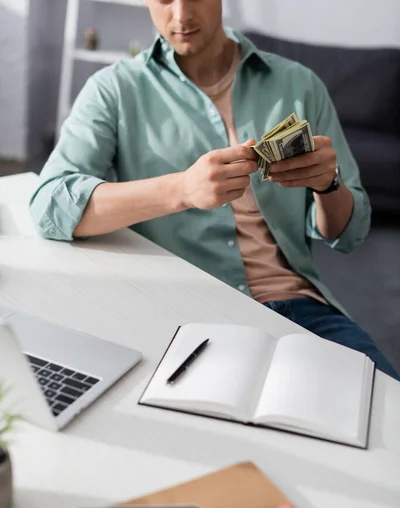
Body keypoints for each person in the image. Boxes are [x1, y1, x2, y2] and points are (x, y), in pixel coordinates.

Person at [29, 0, 399, 380]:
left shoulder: (299, 84)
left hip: (301, 308)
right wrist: (181, 190)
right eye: (164, 0)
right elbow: (51, 204)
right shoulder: (114, 89)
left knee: (388, 414)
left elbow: (349, 234)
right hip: (185, 315)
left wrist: (328, 184)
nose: (182, 16)